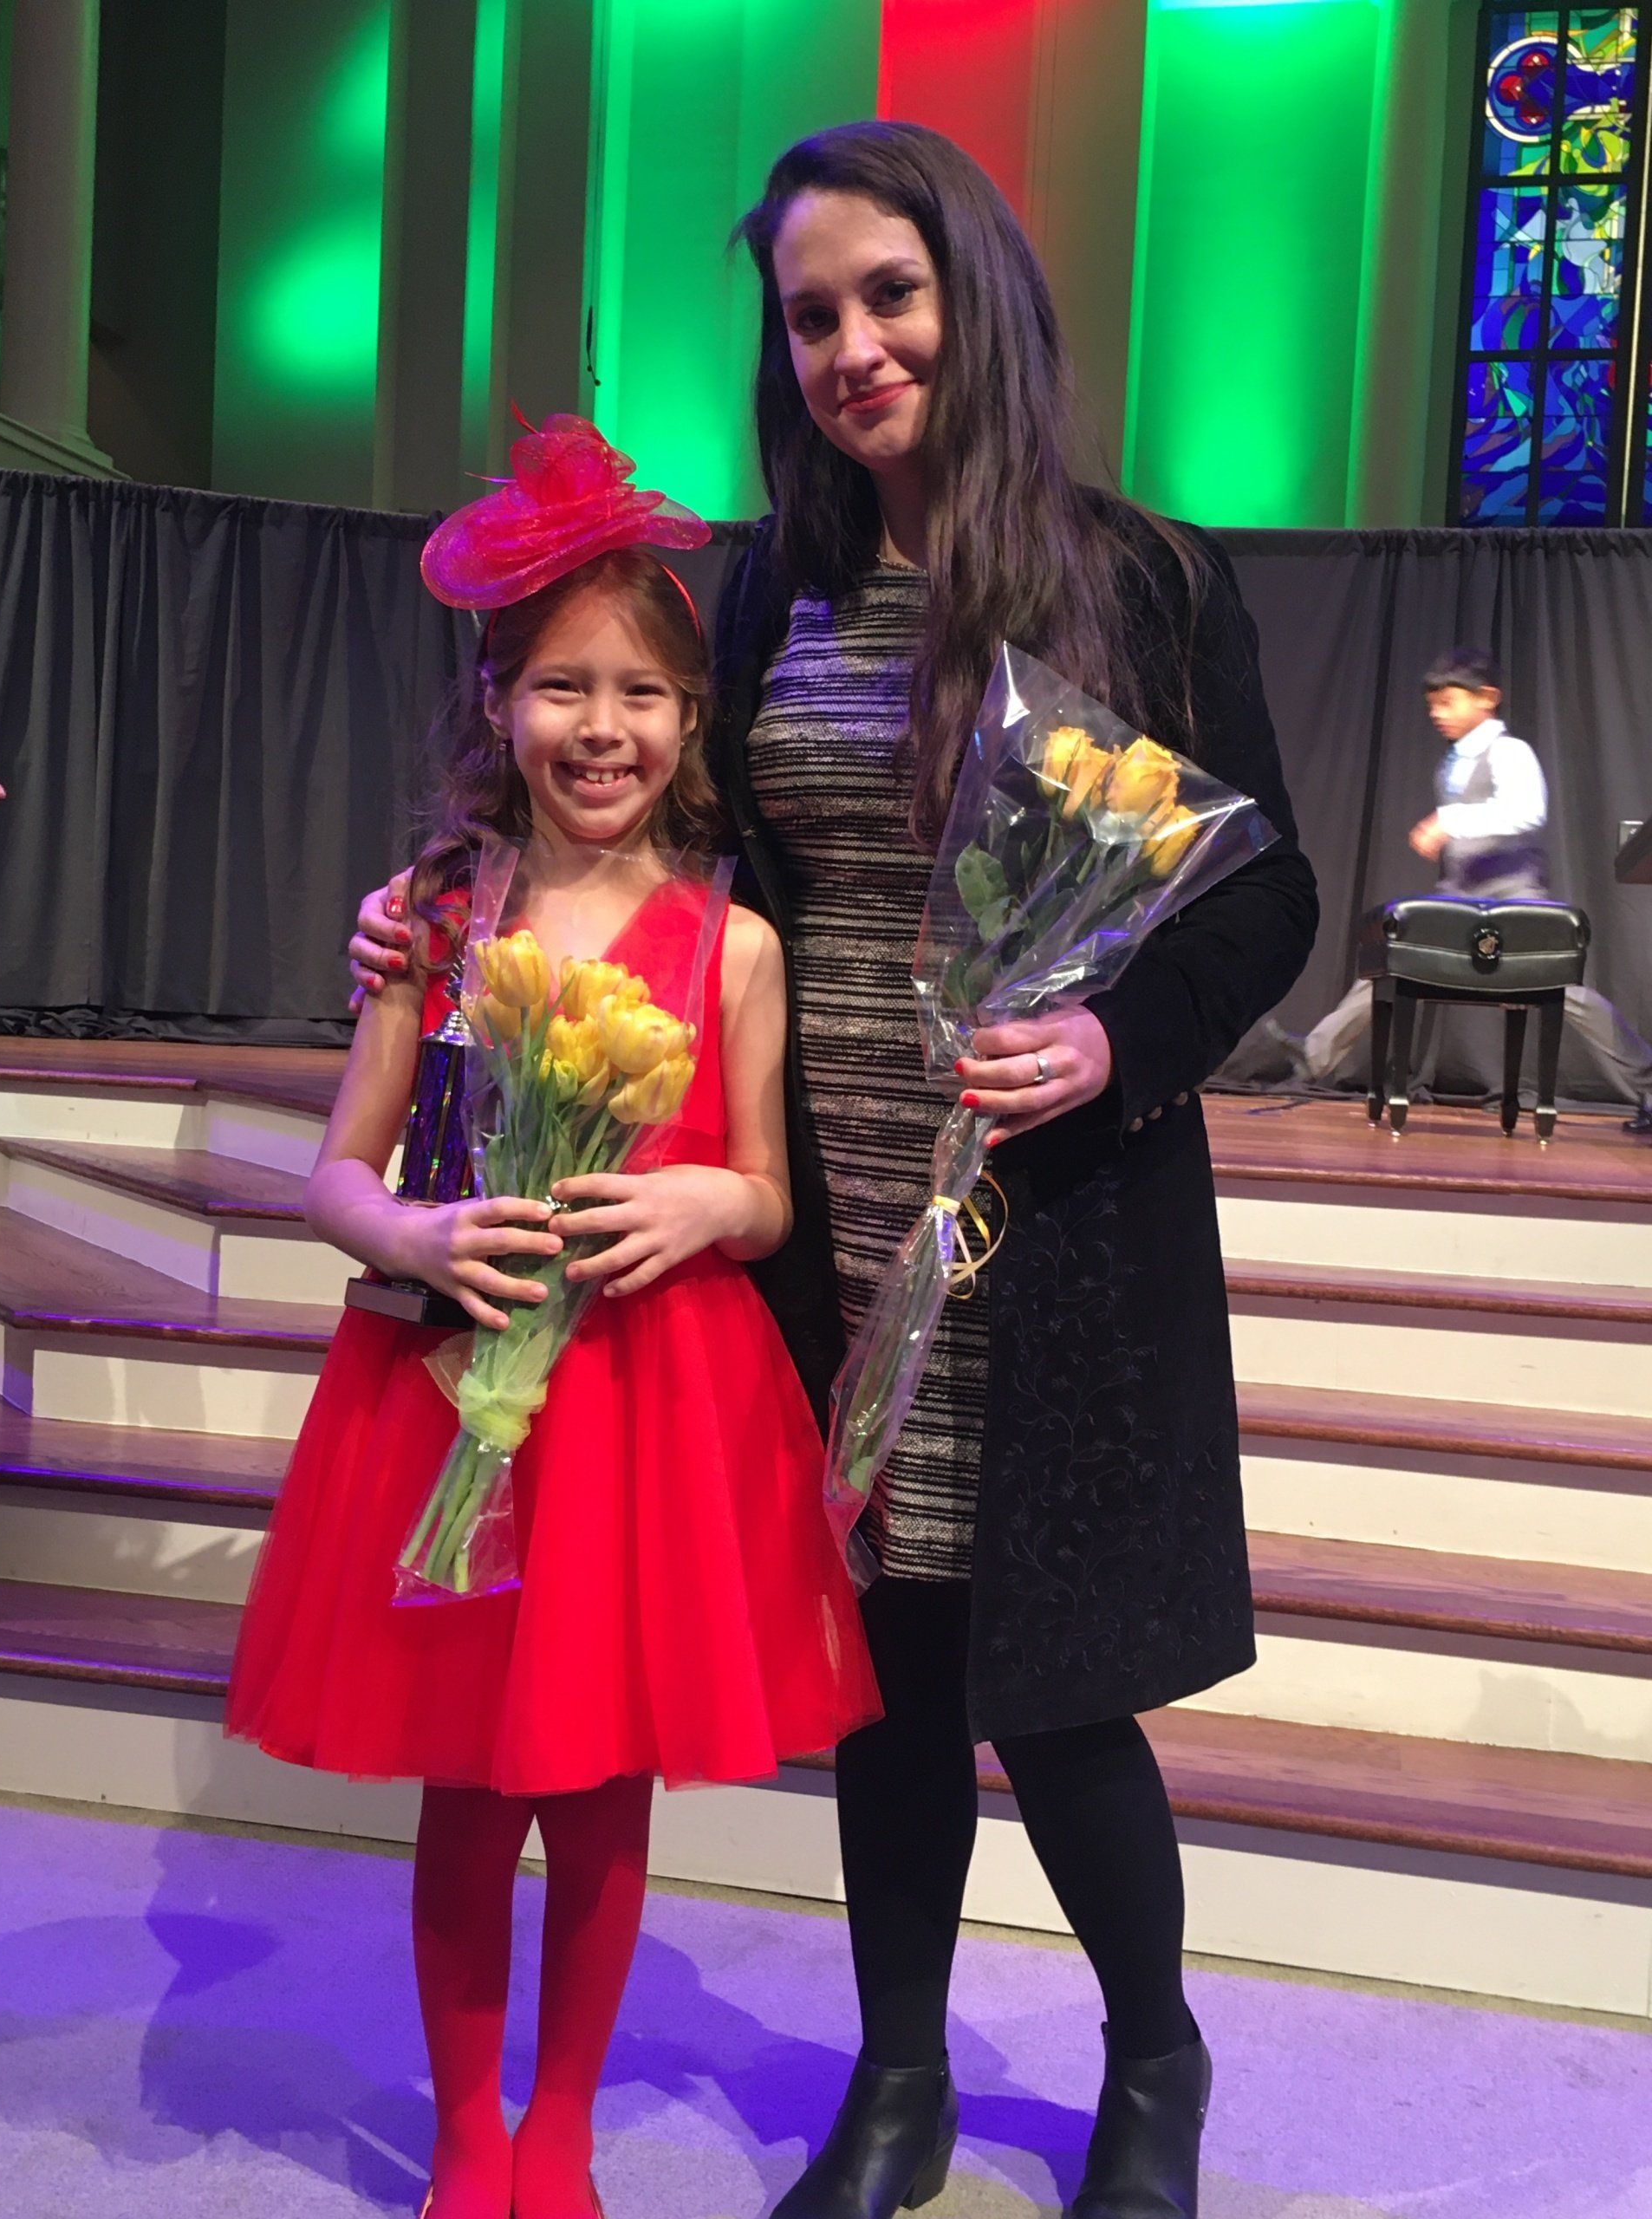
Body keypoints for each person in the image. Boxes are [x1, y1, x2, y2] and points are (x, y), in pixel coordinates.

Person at [354, 122, 1317, 2219]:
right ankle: (900, 2076)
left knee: (1062, 1695)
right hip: (829, 1218)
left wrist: (1114, 1039)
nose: (854, 346)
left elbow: (1268, 897)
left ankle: (1153, 2059)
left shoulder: (1143, 580)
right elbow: (653, 836)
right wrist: (432, 901)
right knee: (885, 1678)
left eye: (891, 294)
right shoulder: (772, 587)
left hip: (1052, 1214)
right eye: (812, 316)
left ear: (976, 295)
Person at [229, 417, 880, 2219]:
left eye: (644, 693)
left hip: (649, 1413)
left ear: (692, 719)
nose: (605, 728)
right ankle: (466, 2133)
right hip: (454, 1391)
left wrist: (709, 1202)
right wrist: (415, 1227)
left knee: (602, 1784)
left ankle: (563, 2130)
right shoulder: (437, 916)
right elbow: (336, 1173)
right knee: (470, 1781)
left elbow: (768, 1189)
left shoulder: (734, 942)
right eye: (563, 688)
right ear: (497, 702)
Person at [1298, 647, 1652, 1115]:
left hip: (1513, 896)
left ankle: (1647, 1076)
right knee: (1389, 959)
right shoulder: (1454, 761)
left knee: (1565, 991)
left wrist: (1448, 821)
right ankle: (1313, 1056)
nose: (1437, 713)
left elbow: (1526, 811)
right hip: (1460, 898)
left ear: (1487, 698)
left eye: (1448, 702)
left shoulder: (1509, 752)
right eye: (1433, 705)